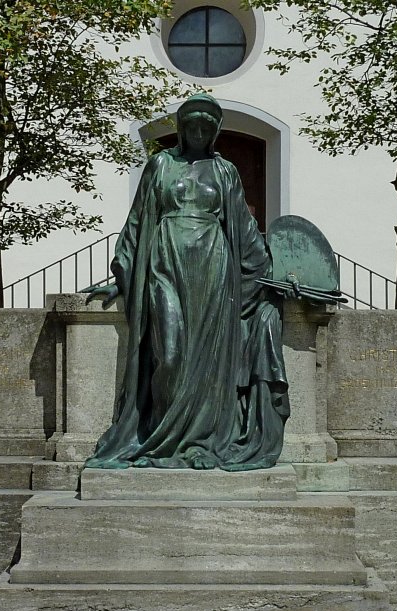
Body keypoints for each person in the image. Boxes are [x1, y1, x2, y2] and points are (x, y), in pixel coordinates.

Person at [82, 94, 289, 471]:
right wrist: (122, 279)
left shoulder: (225, 172)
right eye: (190, 124)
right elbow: (136, 223)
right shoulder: (159, 165)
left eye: (205, 126)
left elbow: (243, 228)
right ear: (180, 128)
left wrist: (271, 277)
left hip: (214, 269)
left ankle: (199, 440)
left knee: (207, 360)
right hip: (165, 263)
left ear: (214, 132)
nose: (197, 131)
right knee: (171, 353)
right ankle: (161, 439)